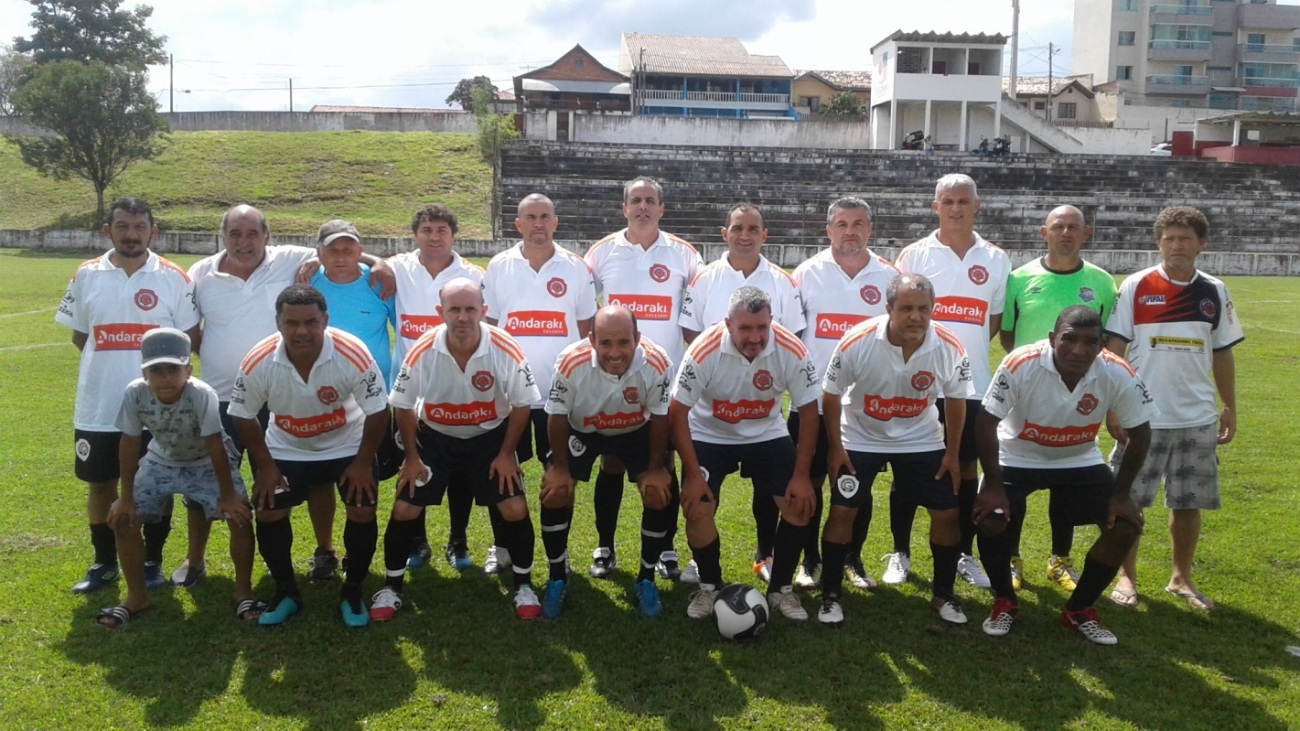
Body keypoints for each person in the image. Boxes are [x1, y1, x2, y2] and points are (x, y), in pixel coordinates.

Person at [186, 205, 394, 587]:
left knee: (316, 476)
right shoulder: (200, 273)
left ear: (267, 236)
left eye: (252, 233)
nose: (244, 241)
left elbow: (340, 251)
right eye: (235, 233)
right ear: (222, 236)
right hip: (225, 393)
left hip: (299, 396)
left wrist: (377, 261)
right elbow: (191, 331)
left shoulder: (289, 258)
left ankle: (324, 551)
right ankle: (195, 560)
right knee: (214, 477)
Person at [973, 305, 1154, 645]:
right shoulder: (1021, 363)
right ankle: (1004, 601)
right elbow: (985, 422)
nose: (1079, 350)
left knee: (1125, 526)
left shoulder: (1116, 371)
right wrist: (993, 485)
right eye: (1069, 339)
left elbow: (1141, 433)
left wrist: (1120, 495)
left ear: (1101, 345)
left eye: (1090, 342)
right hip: (1018, 456)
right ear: (1052, 338)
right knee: (990, 520)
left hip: (1078, 458)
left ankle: (1079, 609)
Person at [371, 278, 543, 621]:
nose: (462, 317)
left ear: (483, 310)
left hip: (490, 437)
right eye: (454, 309)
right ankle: (391, 589)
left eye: (470, 309)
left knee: (514, 506)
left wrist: (506, 454)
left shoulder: (505, 346)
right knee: (404, 508)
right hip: (435, 437)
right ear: (441, 312)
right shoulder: (422, 349)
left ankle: (524, 585)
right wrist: (411, 458)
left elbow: (522, 404)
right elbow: (402, 405)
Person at [55, 196, 199, 595]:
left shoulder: (174, 277)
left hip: (160, 407)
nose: (131, 234)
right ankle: (104, 563)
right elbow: (81, 337)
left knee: (157, 484)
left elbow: (189, 338)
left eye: (139, 227)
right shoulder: (86, 274)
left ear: (153, 232)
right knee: (101, 484)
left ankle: (152, 561)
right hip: (100, 405)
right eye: (122, 226)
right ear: (108, 231)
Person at [1104, 206, 1243, 612]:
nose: (1176, 245)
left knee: (1188, 503)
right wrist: (1114, 407)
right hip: (1142, 416)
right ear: (1158, 243)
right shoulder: (1136, 285)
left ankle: (1181, 578)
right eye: (1169, 239)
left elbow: (1223, 353)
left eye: (1185, 238)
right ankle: (1126, 576)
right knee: (1127, 501)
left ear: (1202, 244)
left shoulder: (1214, 290)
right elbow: (1114, 348)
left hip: (1196, 416)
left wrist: (1228, 405)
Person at [229, 285, 390, 627]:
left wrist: (363, 463)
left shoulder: (352, 352)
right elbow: (242, 414)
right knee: (269, 513)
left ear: (325, 320)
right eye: (291, 323)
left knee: (362, 510)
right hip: (287, 447)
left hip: (347, 445)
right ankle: (286, 591)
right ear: (278, 322)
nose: (301, 331)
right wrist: (266, 467)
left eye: (311, 322)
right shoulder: (258, 359)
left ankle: (353, 591)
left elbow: (378, 410)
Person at [819, 274, 973, 627]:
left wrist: (951, 453)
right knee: (842, 511)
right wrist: (836, 447)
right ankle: (830, 595)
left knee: (947, 513)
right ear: (889, 308)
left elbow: (956, 399)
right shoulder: (857, 340)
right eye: (906, 308)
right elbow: (831, 394)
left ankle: (944, 594)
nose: (916, 317)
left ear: (933, 309)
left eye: (923, 308)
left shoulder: (949, 346)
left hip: (920, 438)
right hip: (860, 435)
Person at [670, 286, 820, 622]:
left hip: (766, 433)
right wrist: (692, 476)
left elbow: (809, 412)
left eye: (762, 327)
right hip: (710, 434)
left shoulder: (791, 349)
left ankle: (781, 590)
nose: (755, 337)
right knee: (697, 508)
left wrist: (801, 476)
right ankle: (710, 586)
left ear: (772, 321)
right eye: (745, 328)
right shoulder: (704, 349)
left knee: (799, 505)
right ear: (728, 324)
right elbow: (677, 413)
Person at [893, 174, 1010, 589]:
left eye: (963, 201)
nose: (956, 208)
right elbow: (900, 316)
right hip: (918, 383)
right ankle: (900, 552)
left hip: (971, 384)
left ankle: (963, 553)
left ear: (976, 205)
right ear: (935, 206)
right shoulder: (914, 254)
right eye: (948, 201)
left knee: (964, 468)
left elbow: (991, 322)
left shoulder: (996, 258)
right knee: (909, 465)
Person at [679, 203, 805, 585]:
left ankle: (766, 556)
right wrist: (723, 374)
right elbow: (692, 335)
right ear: (725, 233)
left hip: (762, 412)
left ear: (765, 235)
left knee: (773, 490)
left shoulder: (783, 282)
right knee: (701, 499)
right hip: (712, 411)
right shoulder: (703, 279)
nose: (745, 235)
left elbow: (791, 340)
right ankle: (701, 565)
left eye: (753, 228)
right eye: (737, 228)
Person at [584, 176, 702, 582]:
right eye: (636, 200)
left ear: (662, 208)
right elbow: (583, 306)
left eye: (650, 200)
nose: (643, 207)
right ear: (624, 208)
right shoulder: (602, 252)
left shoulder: (685, 254)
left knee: (663, 462)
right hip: (613, 377)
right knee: (612, 462)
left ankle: (665, 547)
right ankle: (605, 546)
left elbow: (697, 311)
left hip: (664, 382)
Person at [100, 328, 258, 627]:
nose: (165, 378)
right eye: (156, 371)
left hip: (206, 460)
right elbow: (130, 442)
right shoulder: (135, 392)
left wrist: (228, 496)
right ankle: (137, 596)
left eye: (173, 370)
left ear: (188, 370)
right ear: (144, 373)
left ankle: (243, 592)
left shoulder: (202, 394)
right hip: (161, 459)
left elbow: (215, 444)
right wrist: (126, 497)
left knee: (239, 517)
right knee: (123, 519)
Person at [999, 205, 1119, 593]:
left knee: (1066, 476)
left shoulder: (1102, 282)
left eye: (1073, 227)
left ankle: (1060, 559)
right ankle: (1012, 558)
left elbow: (1108, 340)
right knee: (1015, 475)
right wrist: (1032, 369)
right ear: (1044, 232)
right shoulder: (1019, 279)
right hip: (1025, 390)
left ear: (1086, 233)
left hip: (1080, 391)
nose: (1065, 233)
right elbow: (1008, 334)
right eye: (1058, 226)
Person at [482, 194, 596, 574]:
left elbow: (585, 330)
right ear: (518, 224)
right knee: (501, 470)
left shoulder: (575, 267)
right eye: (530, 217)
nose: (538, 223)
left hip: (558, 396)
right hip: (509, 394)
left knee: (560, 475)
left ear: (555, 222)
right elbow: (490, 328)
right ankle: (502, 546)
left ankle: (557, 553)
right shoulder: (498, 266)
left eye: (545, 216)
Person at [790, 196, 899, 592]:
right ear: (828, 230)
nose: (849, 232)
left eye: (857, 224)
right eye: (841, 224)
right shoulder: (806, 273)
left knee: (858, 485)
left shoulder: (890, 277)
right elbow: (792, 336)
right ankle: (810, 562)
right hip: (813, 403)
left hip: (866, 406)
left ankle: (853, 558)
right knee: (810, 481)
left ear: (870, 228)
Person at [540, 305, 676, 618]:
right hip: (582, 429)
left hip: (634, 429)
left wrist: (656, 469)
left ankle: (646, 579)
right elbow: (557, 416)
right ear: (592, 340)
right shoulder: (571, 361)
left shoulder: (657, 362)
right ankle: (557, 577)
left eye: (624, 342)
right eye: (605, 343)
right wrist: (559, 469)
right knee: (557, 491)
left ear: (637, 338)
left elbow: (660, 418)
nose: (615, 353)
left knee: (657, 492)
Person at [387, 204, 486, 573]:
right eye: (426, 230)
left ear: (454, 235)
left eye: (442, 230)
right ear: (415, 235)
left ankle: (457, 539)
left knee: (460, 470)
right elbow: (362, 262)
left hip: (457, 387)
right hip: (410, 390)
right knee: (413, 464)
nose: (434, 237)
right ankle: (418, 540)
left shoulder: (473, 275)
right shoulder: (396, 267)